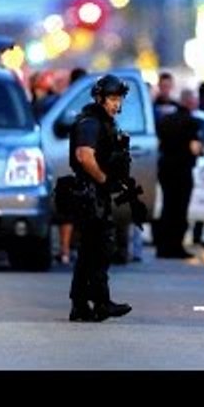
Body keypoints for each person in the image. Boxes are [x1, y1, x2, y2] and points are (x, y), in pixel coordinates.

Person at [67, 74, 135, 322]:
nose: (117, 104)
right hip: (90, 194)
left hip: (95, 193)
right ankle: (101, 302)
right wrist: (104, 180)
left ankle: (81, 304)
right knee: (100, 248)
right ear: (100, 98)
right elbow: (84, 156)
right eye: (113, 99)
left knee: (89, 251)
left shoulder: (102, 122)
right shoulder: (91, 123)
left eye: (119, 99)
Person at [154, 85, 202, 258]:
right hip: (182, 169)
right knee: (180, 209)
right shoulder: (191, 122)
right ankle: (176, 246)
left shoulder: (166, 120)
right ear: (189, 102)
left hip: (166, 168)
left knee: (167, 207)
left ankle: (163, 246)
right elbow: (194, 148)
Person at [55, 67, 91, 265]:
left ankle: (66, 249)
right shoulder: (91, 106)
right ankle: (69, 249)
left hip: (69, 159)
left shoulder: (66, 103)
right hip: (83, 160)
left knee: (70, 208)